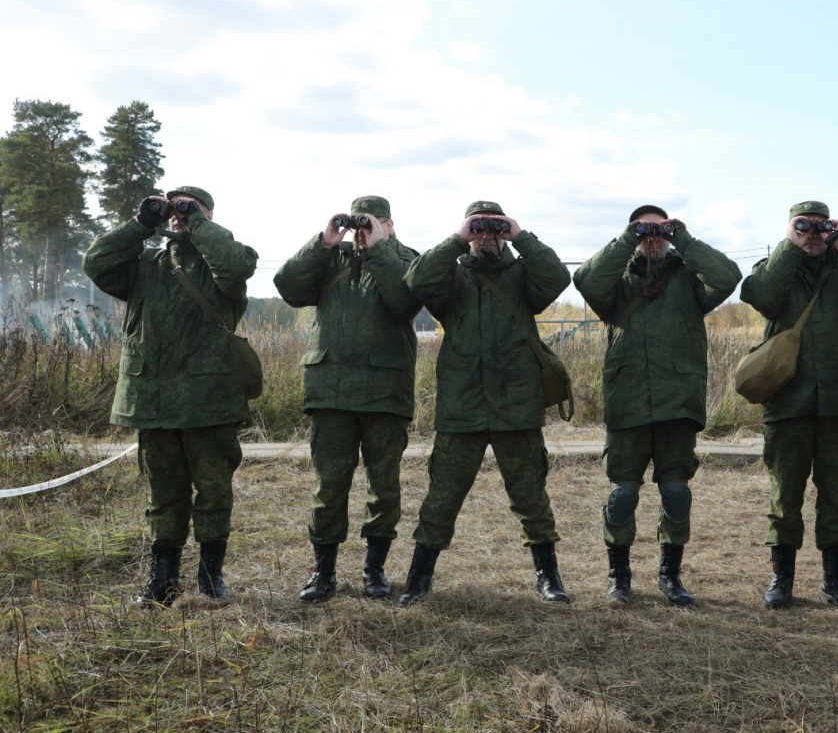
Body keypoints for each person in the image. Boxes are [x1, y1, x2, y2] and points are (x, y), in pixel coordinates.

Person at [84, 186, 258, 606]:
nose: (177, 215)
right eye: (173, 209)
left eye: (188, 208)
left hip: (209, 402)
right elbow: (96, 262)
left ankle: (211, 578)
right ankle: (163, 579)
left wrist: (195, 220)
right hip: (154, 401)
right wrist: (142, 223)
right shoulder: (145, 265)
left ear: (208, 216)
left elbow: (235, 264)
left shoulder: (225, 265)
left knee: (213, 492)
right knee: (163, 494)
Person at [398, 201, 572, 605]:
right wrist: (459, 239)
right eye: (479, 230)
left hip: (517, 406)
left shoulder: (522, 275)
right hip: (463, 408)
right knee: (441, 499)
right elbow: (416, 280)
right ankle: (418, 579)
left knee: (531, 497)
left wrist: (520, 235)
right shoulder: (453, 276)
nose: (487, 237)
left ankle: (549, 576)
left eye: (495, 229)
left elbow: (558, 276)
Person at [574, 205, 741, 606]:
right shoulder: (616, 282)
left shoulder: (689, 278)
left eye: (659, 230)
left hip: (677, 401)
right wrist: (626, 238)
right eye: (643, 230)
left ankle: (670, 575)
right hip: (628, 400)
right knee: (622, 496)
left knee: (676, 494)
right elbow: (585, 280)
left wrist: (682, 237)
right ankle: (619, 577)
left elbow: (728, 276)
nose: (652, 238)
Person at [739, 202, 838, 611]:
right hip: (787, 402)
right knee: (784, 497)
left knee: (836, 499)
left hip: (837, 402)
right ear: (790, 230)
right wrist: (789, 246)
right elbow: (759, 295)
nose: (812, 233)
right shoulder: (777, 268)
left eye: (820, 226)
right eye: (802, 226)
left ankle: (835, 582)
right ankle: (782, 580)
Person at [274, 196, 422, 603]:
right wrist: (323, 241)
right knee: (330, 484)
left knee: (384, 485)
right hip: (331, 389)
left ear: (390, 224)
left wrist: (377, 248)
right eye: (359, 224)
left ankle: (375, 569)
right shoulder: (330, 258)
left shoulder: (407, 258)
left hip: (385, 390)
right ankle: (323, 572)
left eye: (372, 223)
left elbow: (405, 300)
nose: (362, 231)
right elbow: (289, 287)